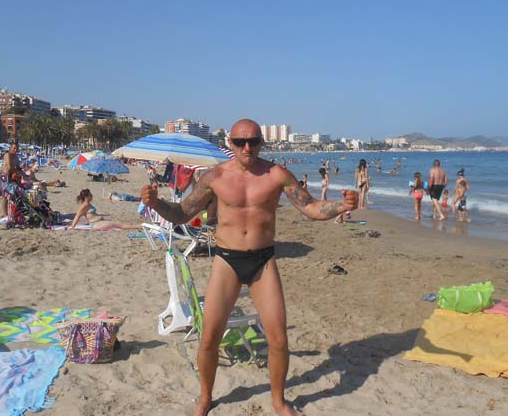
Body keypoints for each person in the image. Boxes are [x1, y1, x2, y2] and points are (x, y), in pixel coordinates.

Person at [140, 119, 358, 416]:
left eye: (253, 141)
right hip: (227, 260)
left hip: (262, 261)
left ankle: (279, 401)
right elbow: (181, 213)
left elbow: (310, 207)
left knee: (278, 339)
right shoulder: (215, 177)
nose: (247, 147)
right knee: (209, 338)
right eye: (240, 142)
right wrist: (156, 204)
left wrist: (342, 206)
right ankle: (205, 398)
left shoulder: (276, 175)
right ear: (230, 143)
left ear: (261, 143)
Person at [70, 189, 140, 230]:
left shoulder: (87, 204)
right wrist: (72, 227)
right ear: (86, 197)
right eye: (91, 195)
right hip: (96, 224)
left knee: (117, 223)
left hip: (99, 222)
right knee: (119, 225)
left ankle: (138, 226)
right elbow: (78, 215)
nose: (92, 196)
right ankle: (139, 226)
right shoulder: (85, 205)